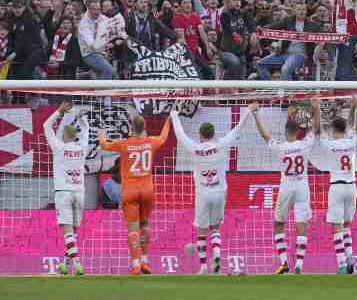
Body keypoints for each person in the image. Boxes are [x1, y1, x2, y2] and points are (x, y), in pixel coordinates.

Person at [170, 103, 256, 274]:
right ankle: (216, 252)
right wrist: (247, 112)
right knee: (215, 227)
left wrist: (174, 115)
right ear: (213, 134)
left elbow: (180, 135)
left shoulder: (195, 148)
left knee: (202, 230)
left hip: (203, 194)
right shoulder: (221, 144)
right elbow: (237, 130)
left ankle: (203, 266)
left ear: (200, 136)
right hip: (219, 192)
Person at [97, 113, 171, 275]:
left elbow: (104, 145)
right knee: (145, 225)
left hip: (130, 191)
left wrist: (101, 136)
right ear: (144, 128)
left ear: (131, 128)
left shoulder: (124, 144)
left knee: (133, 229)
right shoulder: (151, 142)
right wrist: (169, 119)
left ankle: (136, 264)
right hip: (147, 190)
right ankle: (145, 261)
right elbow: (164, 136)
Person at [252, 103, 315, 274]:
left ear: (286, 132)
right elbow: (313, 131)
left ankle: (284, 262)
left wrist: (256, 115)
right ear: (298, 131)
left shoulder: (280, 147)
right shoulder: (305, 144)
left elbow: (265, 135)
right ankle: (299, 267)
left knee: (279, 224)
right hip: (302, 186)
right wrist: (315, 108)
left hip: (287, 185)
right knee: (301, 226)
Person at [310, 97, 357, 274]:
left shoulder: (330, 144)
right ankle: (350, 257)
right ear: (345, 129)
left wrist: (316, 109)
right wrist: (355, 108)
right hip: (352, 187)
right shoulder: (352, 141)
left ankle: (341, 264)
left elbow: (317, 132)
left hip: (337, 186)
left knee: (337, 227)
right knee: (346, 225)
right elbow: (353, 127)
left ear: (333, 130)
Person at [42, 100, 90, 275]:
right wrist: (81, 118)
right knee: (74, 233)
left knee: (68, 231)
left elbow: (46, 127)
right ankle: (65, 264)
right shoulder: (82, 148)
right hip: (80, 192)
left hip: (63, 192)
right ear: (74, 136)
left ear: (64, 136)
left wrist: (58, 111)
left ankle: (77, 264)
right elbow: (86, 131)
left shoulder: (59, 147)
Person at [257, 0, 322, 81]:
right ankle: (271, 87)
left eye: (303, 10)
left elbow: (324, 35)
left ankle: (286, 92)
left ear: (306, 11)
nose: (301, 12)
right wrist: (262, 29)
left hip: (300, 55)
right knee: (260, 64)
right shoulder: (288, 21)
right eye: (299, 9)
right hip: (284, 53)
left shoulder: (313, 25)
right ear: (295, 10)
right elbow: (273, 26)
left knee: (285, 68)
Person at [332, 0, 357, 80]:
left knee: (344, 63)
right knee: (340, 62)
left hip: (349, 33)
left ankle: (341, 92)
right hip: (339, 33)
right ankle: (339, 89)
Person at [78, 1, 117, 80]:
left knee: (102, 74)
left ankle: (93, 82)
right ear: (88, 9)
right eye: (94, 9)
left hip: (101, 52)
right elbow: (92, 44)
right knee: (109, 71)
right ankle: (104, 92)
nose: (97, 12)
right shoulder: (84, 23)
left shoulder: (102, 18)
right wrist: (105, 47)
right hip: (89, 53)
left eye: (98, 9)